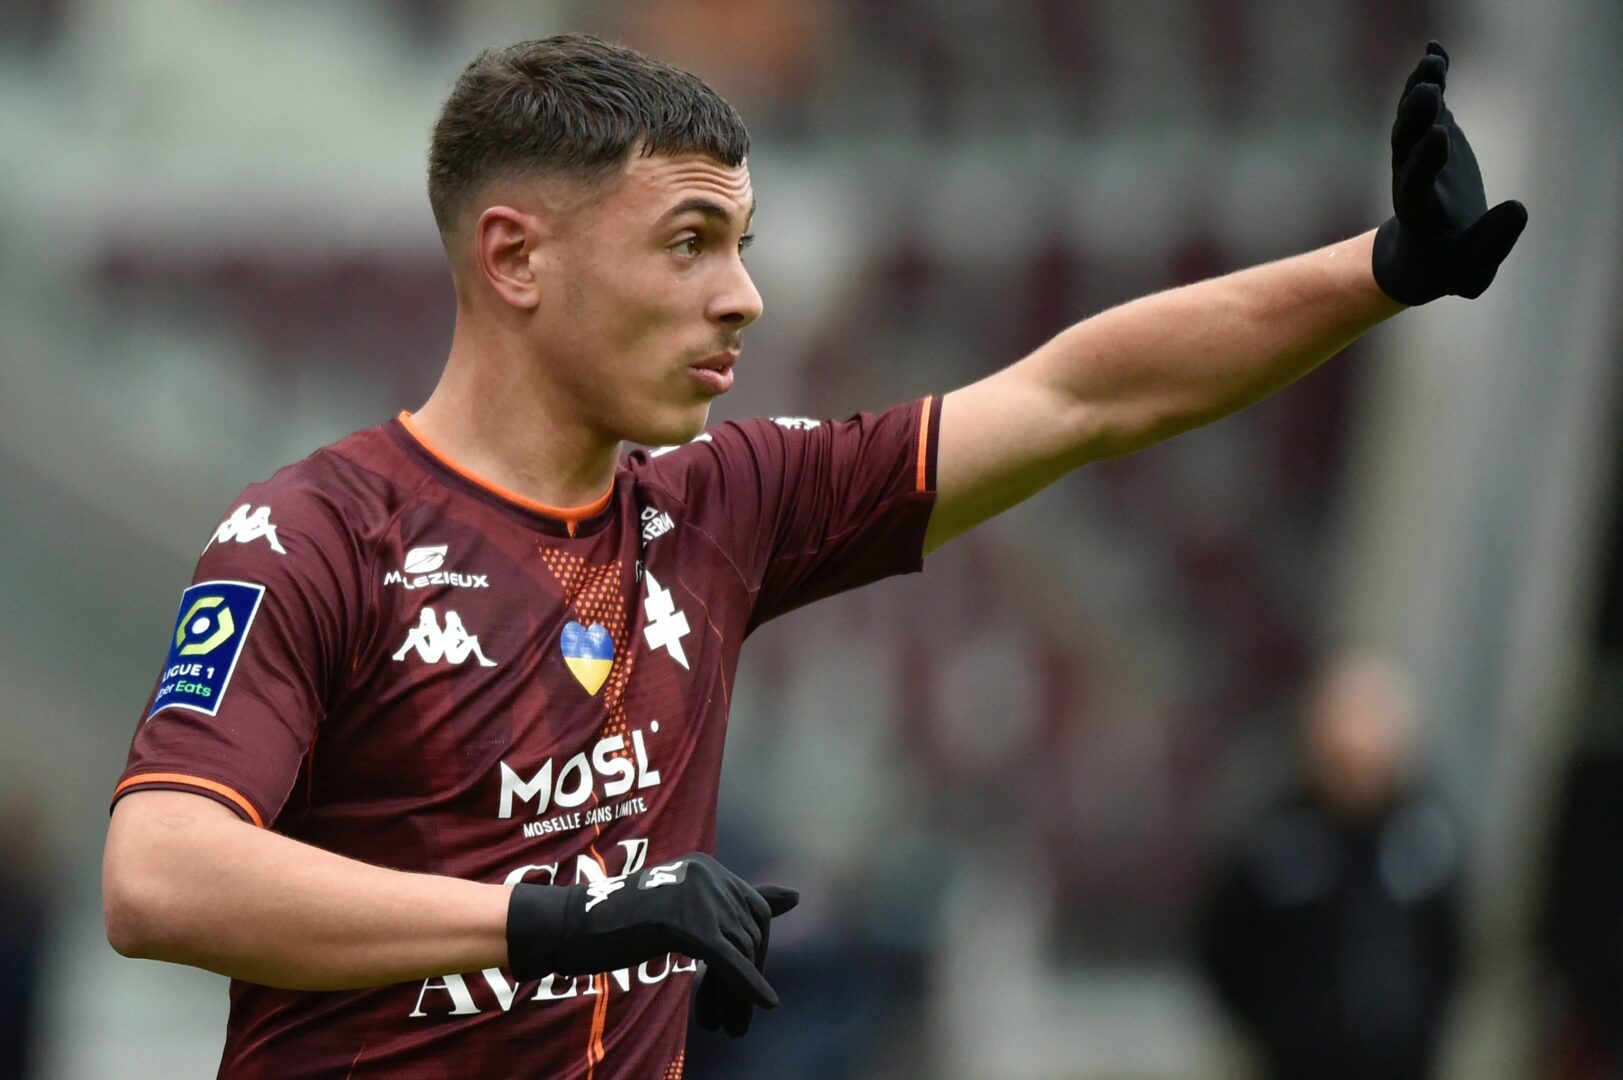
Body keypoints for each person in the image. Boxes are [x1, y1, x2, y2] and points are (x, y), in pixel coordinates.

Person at [101, 34, 1522, 1079]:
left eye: (744, 243)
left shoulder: (728, 505)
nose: (744, 297)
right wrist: (556, 923)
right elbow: (161, 877)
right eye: (689, 243)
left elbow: (1079, 398)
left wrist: (1380, 269)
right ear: (515, 258)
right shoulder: (316, 535)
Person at [1198, 655, 1464, 1080]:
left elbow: (1454, 950)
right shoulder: (1279, 841)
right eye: (1345, 759)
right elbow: (1226, 948)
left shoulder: (1426, 841)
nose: (1357, 772)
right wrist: (1277, 1029)